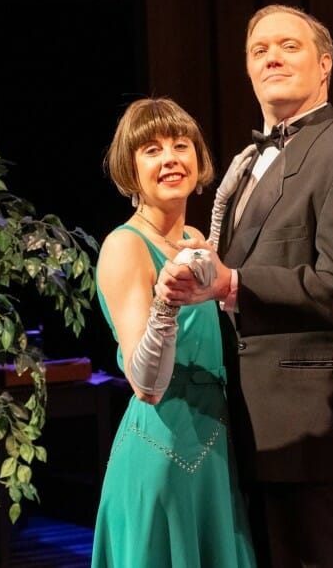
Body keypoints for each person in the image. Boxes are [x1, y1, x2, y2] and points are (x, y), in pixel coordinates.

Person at [159, 5, 333, 567]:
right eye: (259, 50)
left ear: (325, 64)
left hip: (311, 434)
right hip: (238, 429)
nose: (272, 57)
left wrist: (233, 282)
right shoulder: (246, 162)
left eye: (289, 46)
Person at [92, 97, 255, 567]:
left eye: (181, 145)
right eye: (152, 150)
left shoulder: (195, 242)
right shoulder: (125, 246)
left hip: (214, 448)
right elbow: (146, 384)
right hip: (161, 453)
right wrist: (165, 303)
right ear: (131, 168)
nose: (170, 159)